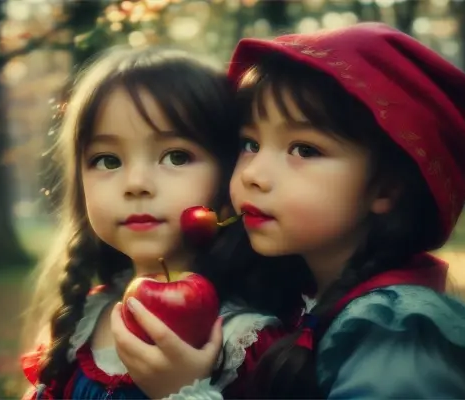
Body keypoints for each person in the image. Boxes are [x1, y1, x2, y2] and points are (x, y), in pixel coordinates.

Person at [219, 23, 465, 398]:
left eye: (304, 149)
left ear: (386, 188)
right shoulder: (301, 299)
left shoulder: (397, 336)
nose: (253, 174)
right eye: (250, 143)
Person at [19, 46, 302, 400]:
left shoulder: (245, 341)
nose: (136, 183)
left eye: (176, 156)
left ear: (229, 171)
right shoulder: (80, 323)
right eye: (107, 160)